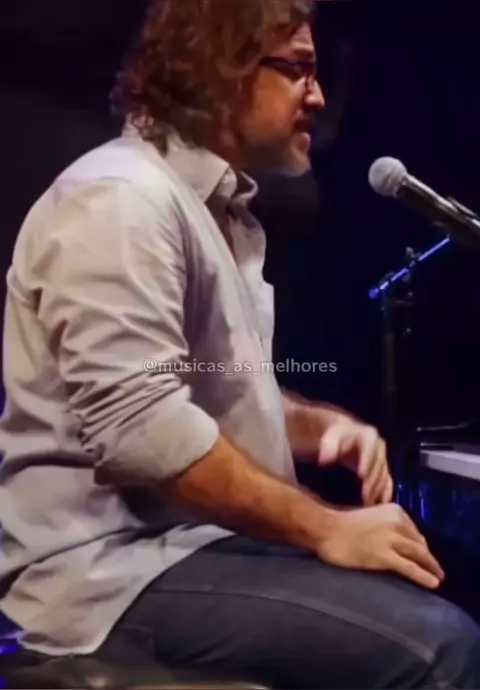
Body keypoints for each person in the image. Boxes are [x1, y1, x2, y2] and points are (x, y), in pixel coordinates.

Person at [1, 0, 480, 687]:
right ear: (222, 68)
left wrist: (320, 426)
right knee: (440, 648)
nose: (318, 96)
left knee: (429, 583)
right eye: (299, 69)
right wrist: (325, 526)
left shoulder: (211, 213)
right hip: (103, 577)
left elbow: (205, 392)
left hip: (184, 551)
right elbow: (142, 430)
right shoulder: (119, 198)